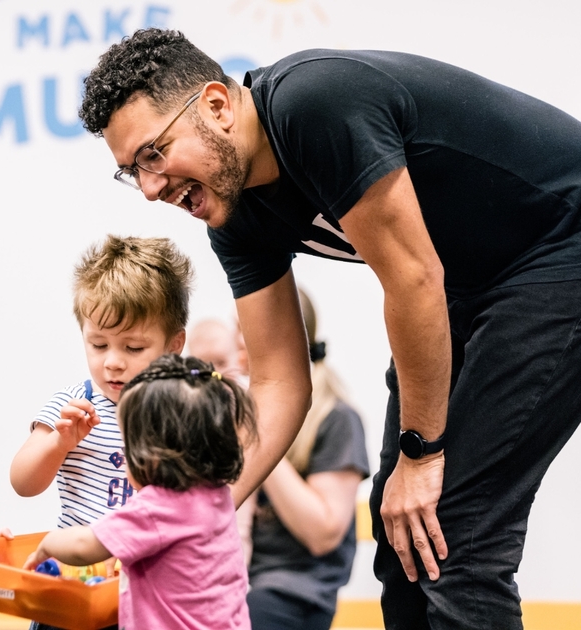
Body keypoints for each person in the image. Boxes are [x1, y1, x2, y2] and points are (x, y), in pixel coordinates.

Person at [78, 28, 581, 629]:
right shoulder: (234, 218)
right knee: (404, 535)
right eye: (132, 171)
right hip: (471, 284)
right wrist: (195, 513)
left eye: (154, 155)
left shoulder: (314, 104)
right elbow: (279, 384)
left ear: (216, 105)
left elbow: (414, 280)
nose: (151, 189)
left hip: (561, 247)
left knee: (455, 531)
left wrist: (420, 455)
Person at [10, 234, 191, 630]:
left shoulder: (183, 412)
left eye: (133, 348)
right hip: (75, 583)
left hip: (148, 591)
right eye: (99, 344)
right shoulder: (73, 405)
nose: (113, 363)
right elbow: (22, 482)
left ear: (174, 345)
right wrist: (59, 443)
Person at [22, 353, 256, 630]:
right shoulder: (217, 496)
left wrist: (49, 543)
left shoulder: (157, 507)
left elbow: (84, 545)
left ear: (153, 455)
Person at [244, 289, 369, 630]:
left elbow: (324, 533)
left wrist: (260, 437)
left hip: (293, 592)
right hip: (242, 582)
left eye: (244, 335)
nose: (237, 350)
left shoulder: (339, 419)